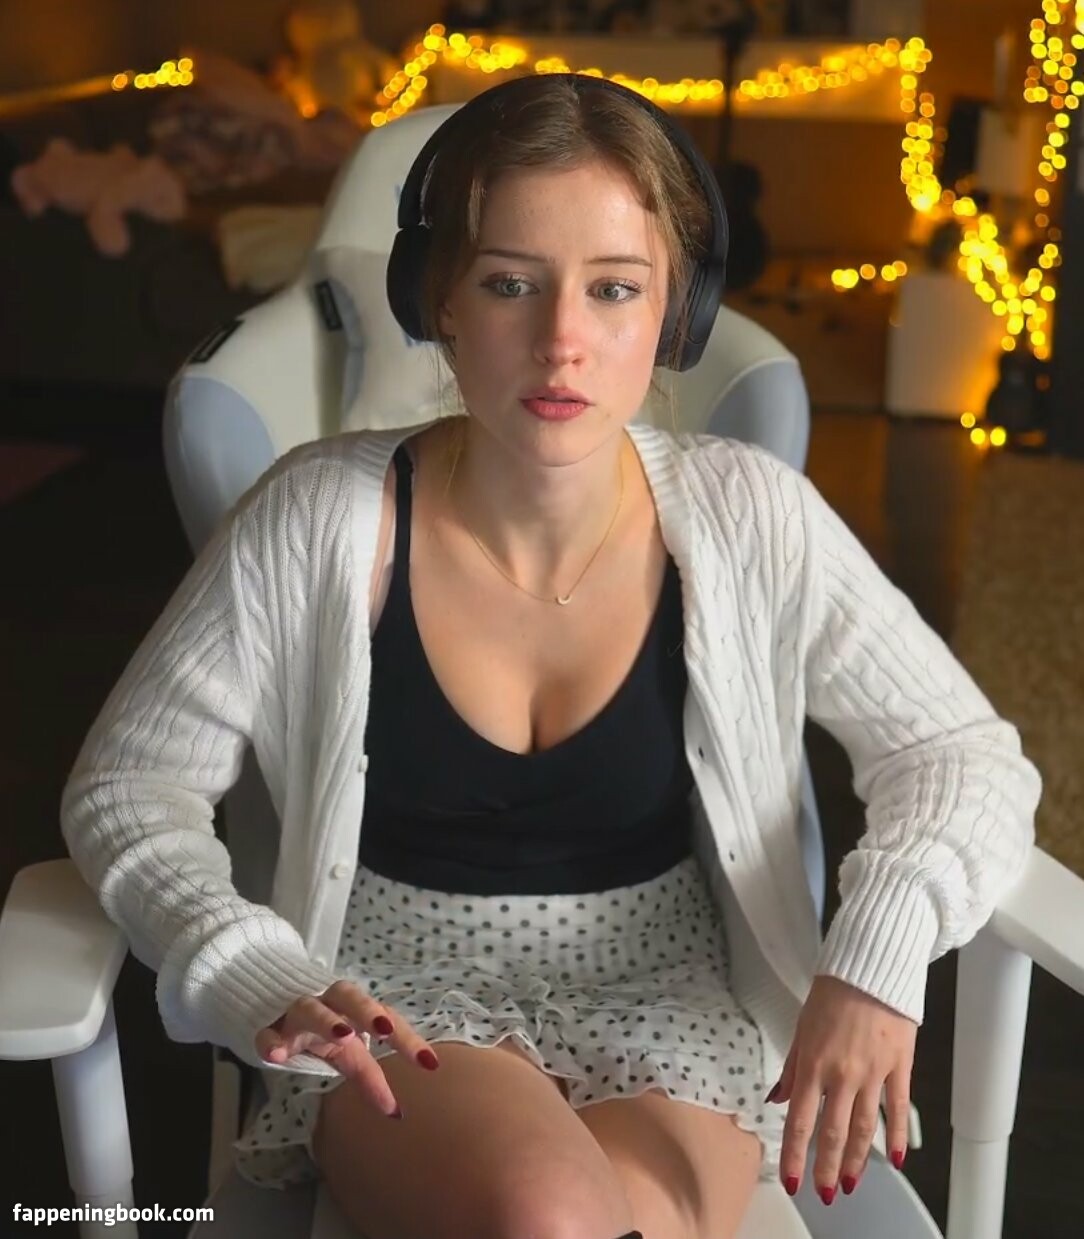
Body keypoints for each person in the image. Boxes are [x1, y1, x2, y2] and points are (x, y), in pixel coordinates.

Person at [60, 73, 1043, 1239]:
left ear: (674, 312)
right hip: (400, 1001)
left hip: (672, 996)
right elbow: (128, 790)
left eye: (613, 288)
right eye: (510, 283)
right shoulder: (314, 516)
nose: (562, 341)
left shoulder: (749, 514)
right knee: (545, 1215)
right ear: (440, 301)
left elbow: (960, 756)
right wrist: (246, 965)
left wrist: (874, 963)